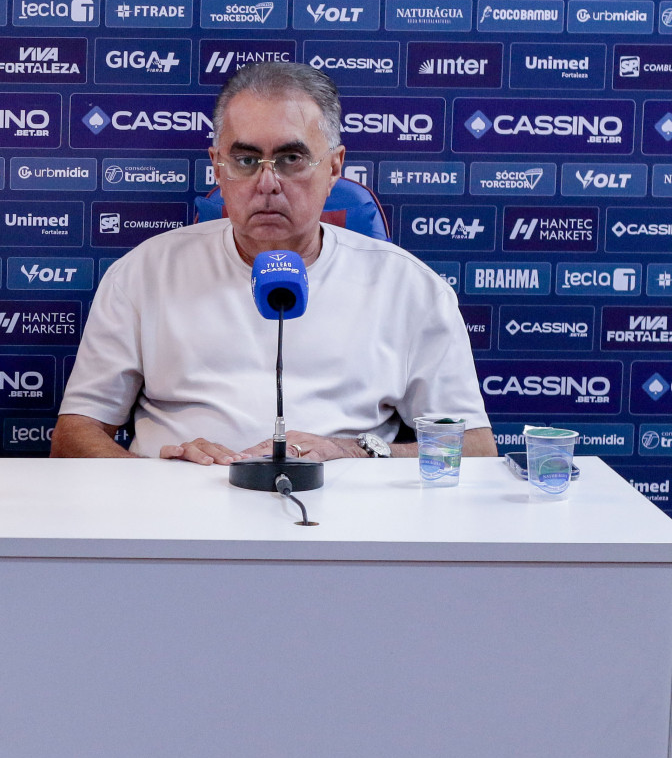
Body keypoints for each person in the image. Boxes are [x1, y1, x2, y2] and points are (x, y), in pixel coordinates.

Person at [52, 60, 494, 465]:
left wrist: (353, 451)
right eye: (246, 160)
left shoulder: (410, 288)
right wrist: (160, 479)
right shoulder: (144, 273)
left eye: (291, 159)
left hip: (346, 512)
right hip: (179, 512)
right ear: (217, 167)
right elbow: (73, 436)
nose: (267, 183)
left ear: (334, 167)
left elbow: (474, 450)